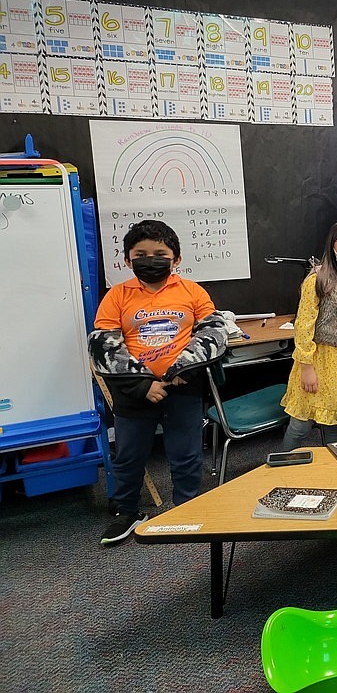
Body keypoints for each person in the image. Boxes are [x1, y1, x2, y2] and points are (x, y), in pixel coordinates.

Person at [89, 220, 228, 545]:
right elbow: (103, 344)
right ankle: (127, 511)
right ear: (127, 260)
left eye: (159, 253)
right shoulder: (117, 296)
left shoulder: (192, 291)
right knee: (129, 455)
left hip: (183, 387)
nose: (150, 259)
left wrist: (185, 368)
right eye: (141, 254)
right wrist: (142, 384)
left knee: (186, 453)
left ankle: (187, 506)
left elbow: (214, 332)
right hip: (134, 393)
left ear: (175, 259)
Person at [280, 219, 337, 451]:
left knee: (336, 424)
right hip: (318, 359)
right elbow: (303, 326)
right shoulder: (317, 280)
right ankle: (280, 468)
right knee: (300, 425)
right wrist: (306, 366)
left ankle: (332, 474)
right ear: (332, 245)